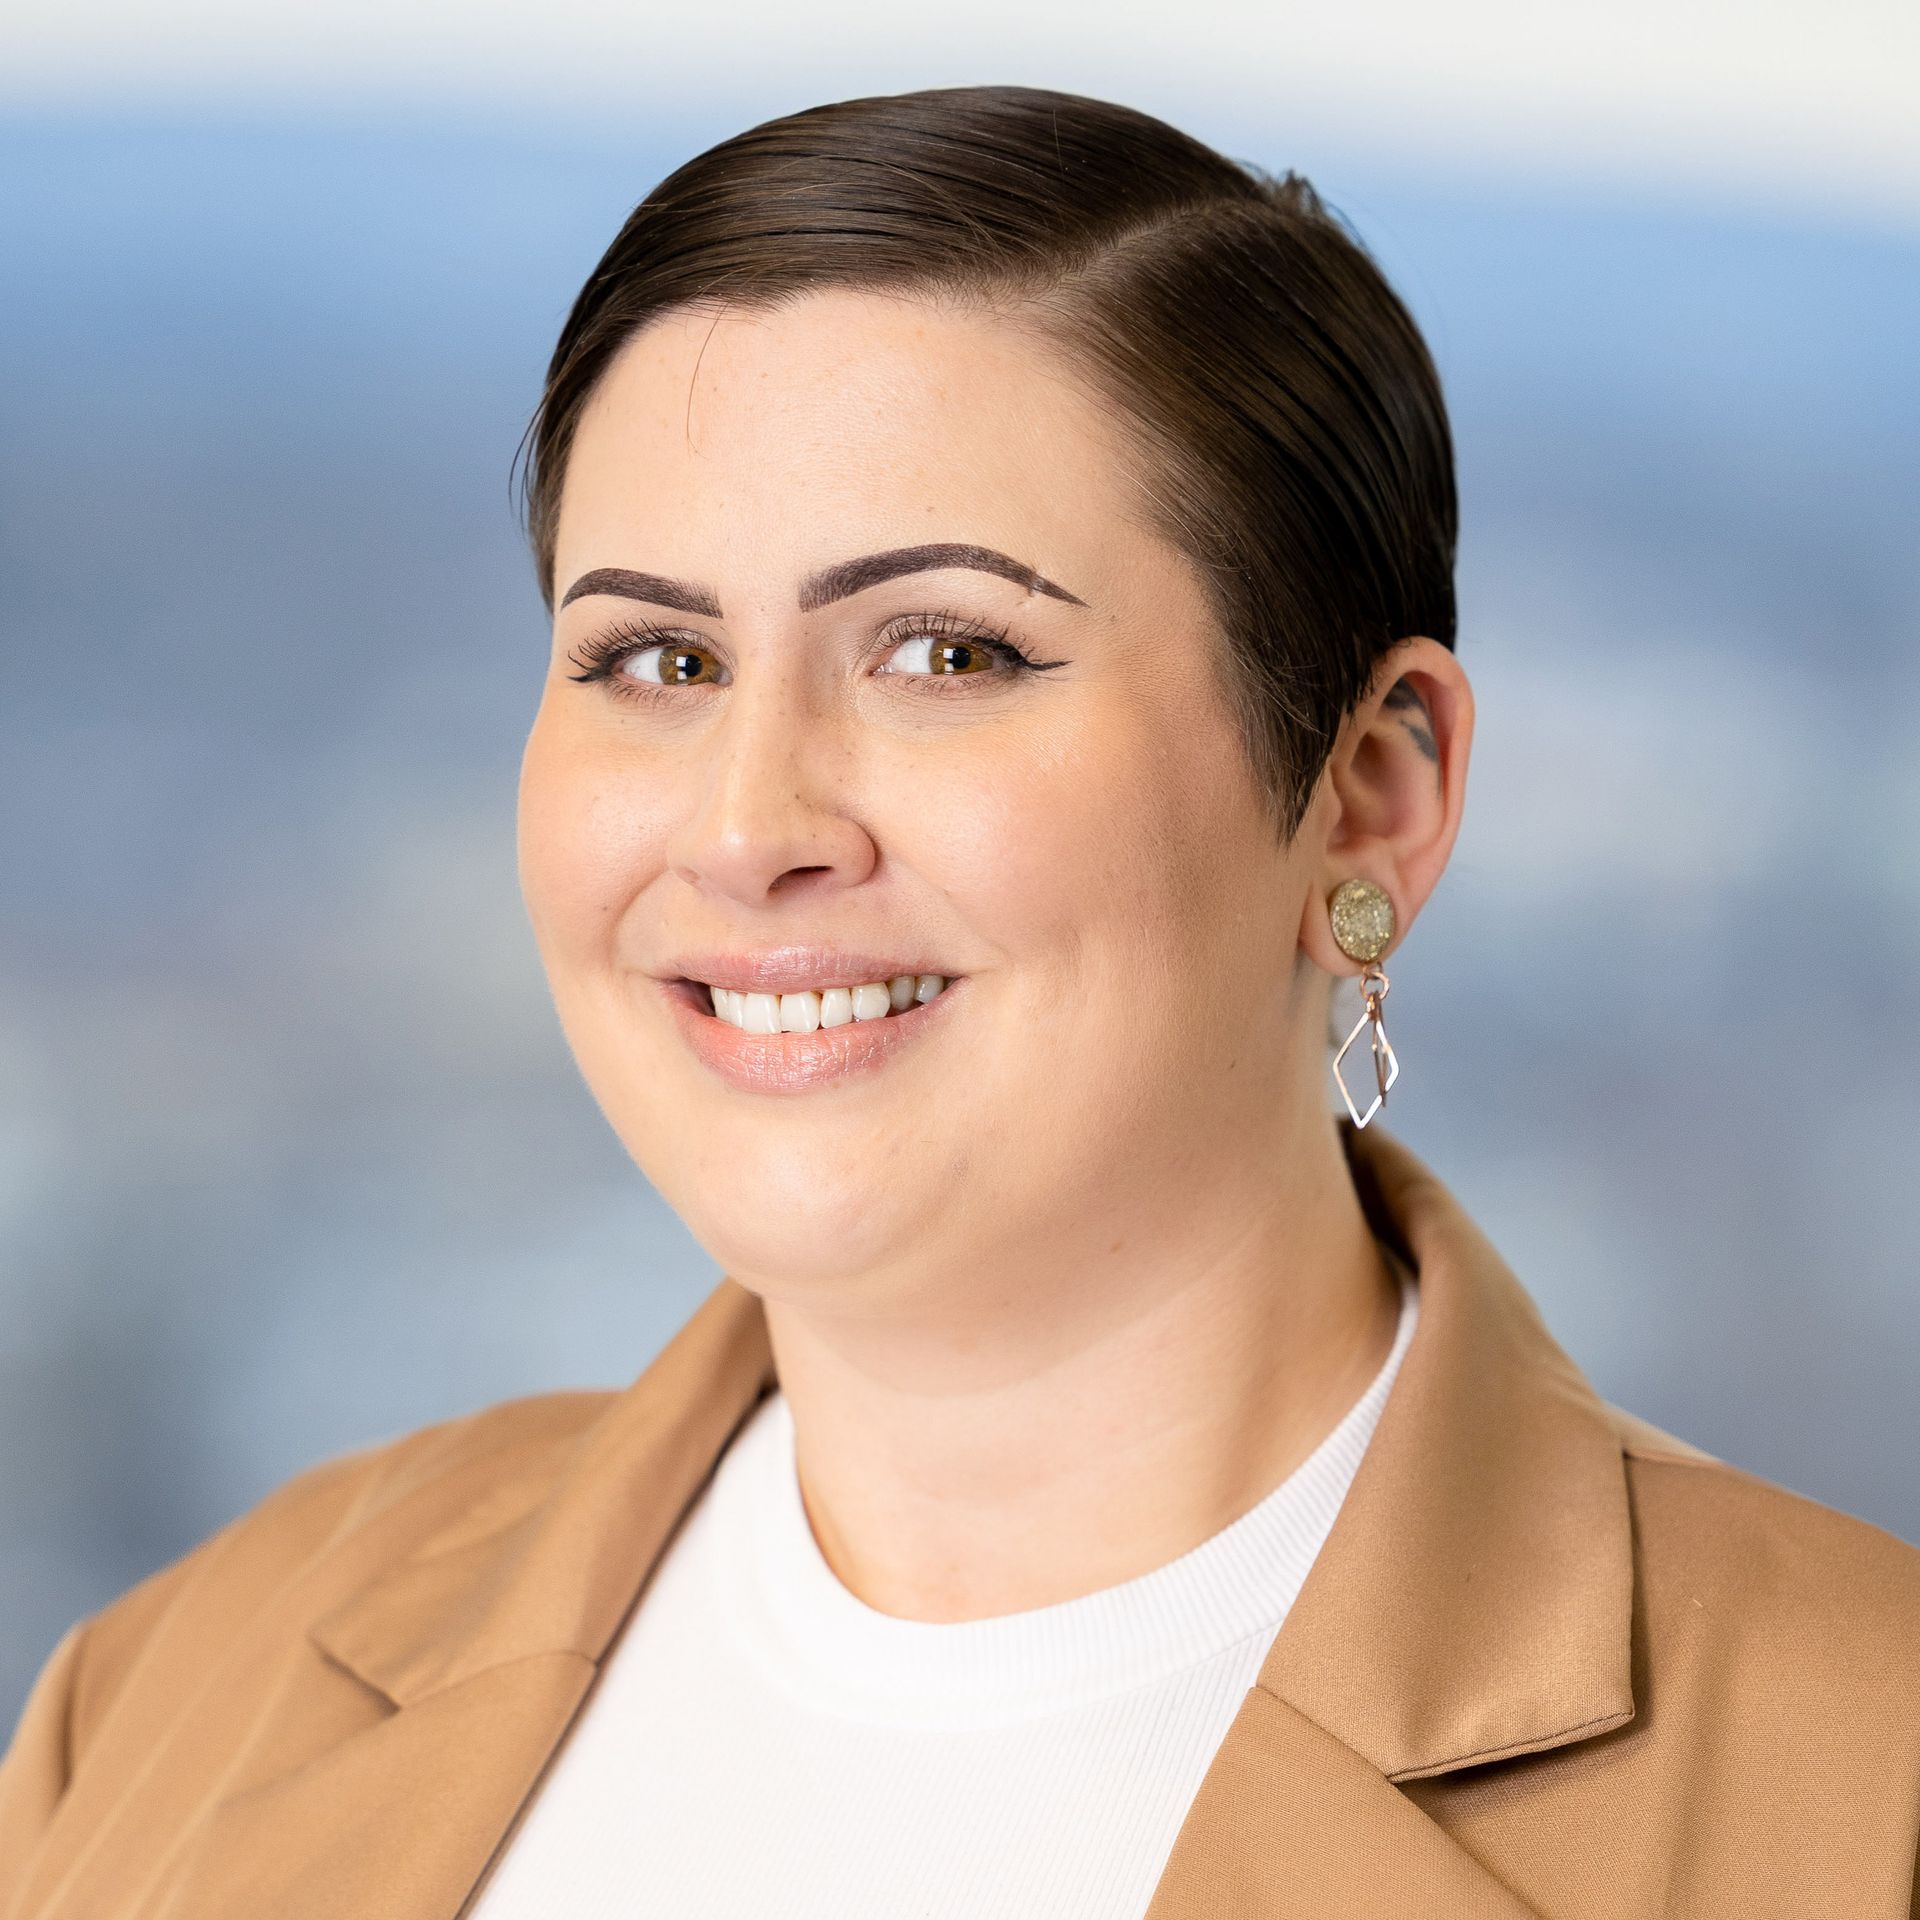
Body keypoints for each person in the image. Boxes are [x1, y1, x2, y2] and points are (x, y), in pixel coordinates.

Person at [3, 83, 1917, 1920]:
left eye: (947, 650)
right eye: (656, 657)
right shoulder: (180, 1691)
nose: (749, 829)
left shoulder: (1863, 1794)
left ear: (1370, 787)